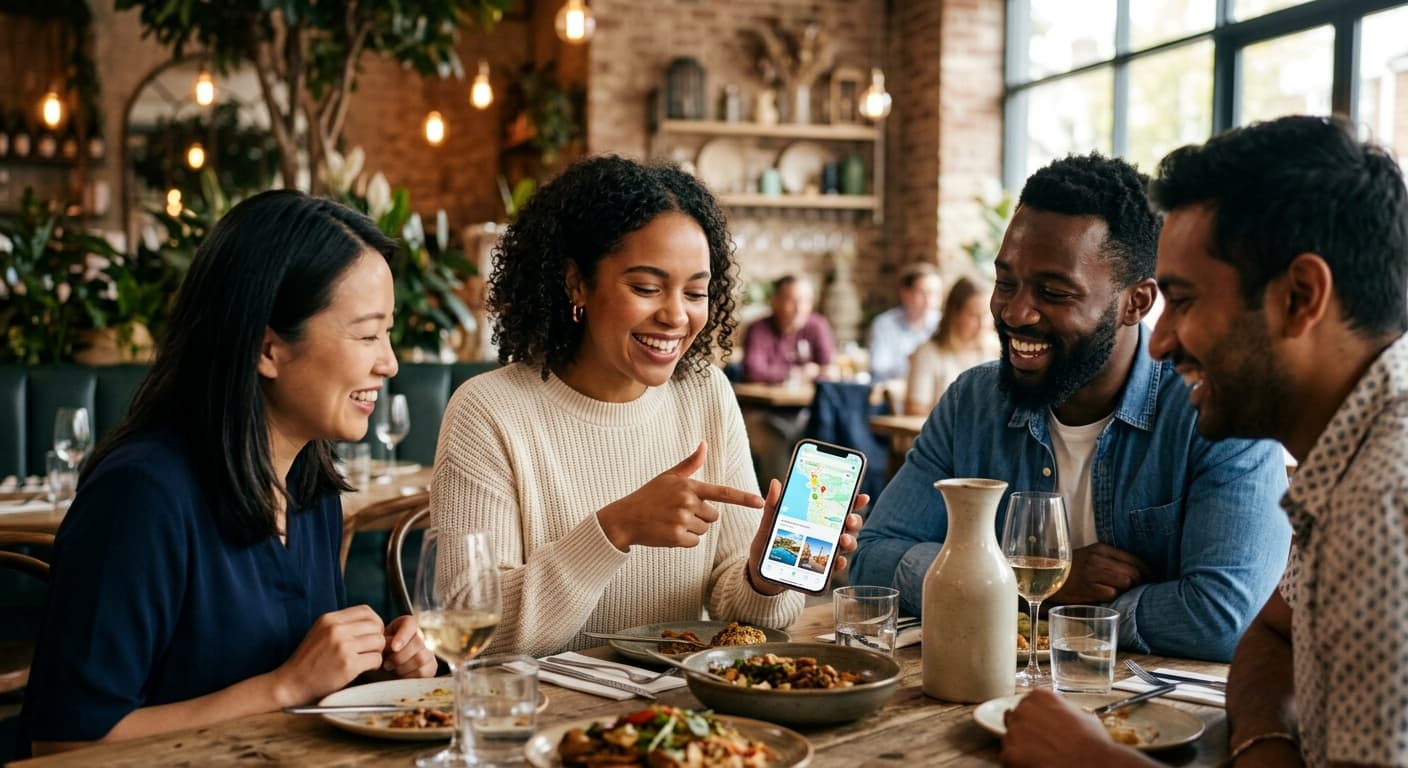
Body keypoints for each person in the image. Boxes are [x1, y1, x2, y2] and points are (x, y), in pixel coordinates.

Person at [1002, 117, 1408, 767]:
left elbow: (1230, 620)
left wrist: (1091, 761)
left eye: (1184, 302)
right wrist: (1263, 749)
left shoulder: (1385, 503)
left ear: (1300, 297)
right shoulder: (1351, 457)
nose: (1160, 342)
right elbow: (1271, 635)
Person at [22, 191, 437, 754]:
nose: (389, 362)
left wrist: (373, 675)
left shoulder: (309, 489)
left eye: (387, 333)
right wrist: (284, 687)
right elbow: (62, 746)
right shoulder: (141, 496)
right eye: (367, 334)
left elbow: (297, 696)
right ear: (268, 349)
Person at [850, 153, 1291, 663]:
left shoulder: (1217, 413)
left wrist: (1029, 602)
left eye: (1054, 292)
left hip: (1153, 708)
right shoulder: (972, 402)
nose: (1015, 312)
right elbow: (874, 561)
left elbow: (1224, 618)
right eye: (1006, 282)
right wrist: (1035, 579)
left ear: (1137, 302)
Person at [430, 156, 867, 658]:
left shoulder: (704, 392)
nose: (676, 316)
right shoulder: (487, 411)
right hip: (538, 704)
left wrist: (762, 576)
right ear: (576, 283)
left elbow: (737, 614)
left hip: (681, 701)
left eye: (696, 292)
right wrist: (615, 530)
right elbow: (471, 631)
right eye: (646, 288)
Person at [904, 276, 999, 415]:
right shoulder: (928, 354)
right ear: (955, 314)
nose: (983, 323)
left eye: (987, 315)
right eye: (975, 315)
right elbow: (915, 410)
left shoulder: (998, 350)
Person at [741, 274, 837, 384]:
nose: (799, 309)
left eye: (805, 301)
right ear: (775, 302)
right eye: (792, 301)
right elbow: (753, 372)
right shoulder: (757, 329)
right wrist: (797, 373)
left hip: (810, 395)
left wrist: (820, 371)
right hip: (768, 395)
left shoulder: (818, 325)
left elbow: (830, 369)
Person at [867, 262, 944, 383]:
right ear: (905, 294)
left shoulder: (942, 324)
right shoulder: (884, 324)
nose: (929, 300)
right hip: (893, 390)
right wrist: (916, 364)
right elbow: (878, 367)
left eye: (935, 293)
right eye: (923, 293)